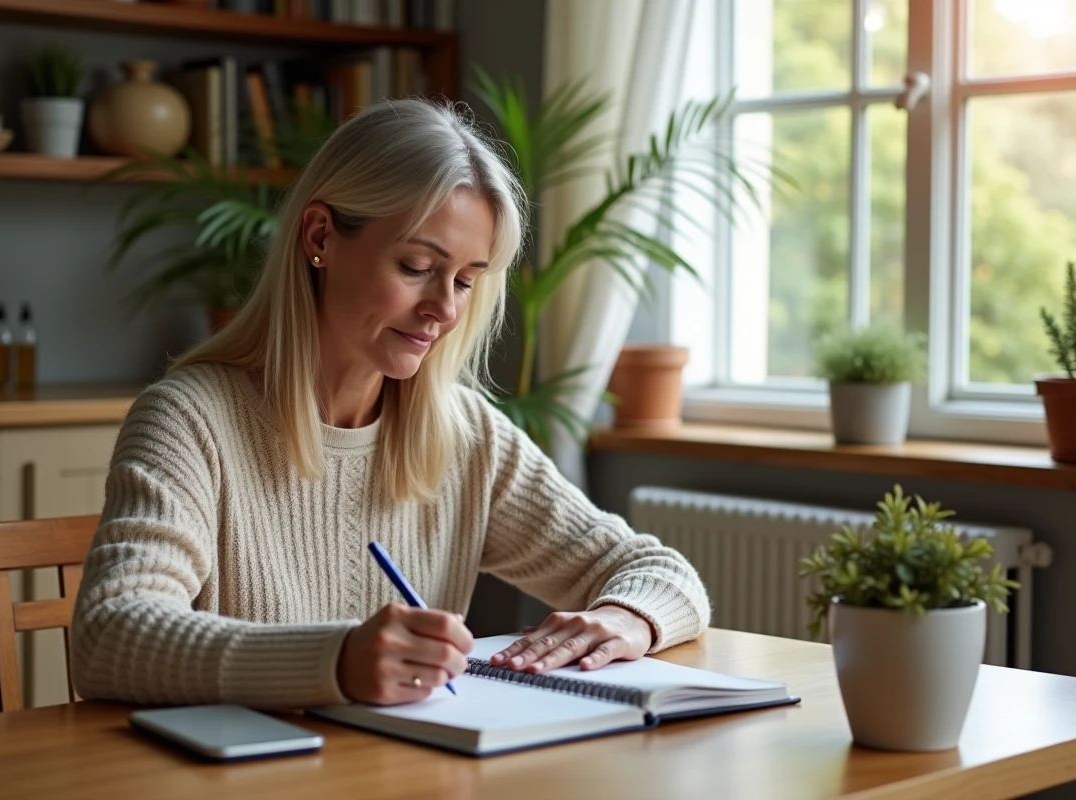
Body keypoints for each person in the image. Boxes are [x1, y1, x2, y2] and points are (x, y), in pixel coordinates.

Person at [71, 98, 711, 710]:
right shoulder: (189, 420)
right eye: (415, 266)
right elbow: (109, 634)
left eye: (465, 280)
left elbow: (658, 570)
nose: (446, 309)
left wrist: (626, 620)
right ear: (321, 235)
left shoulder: (464, 435)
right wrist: (336, 661)